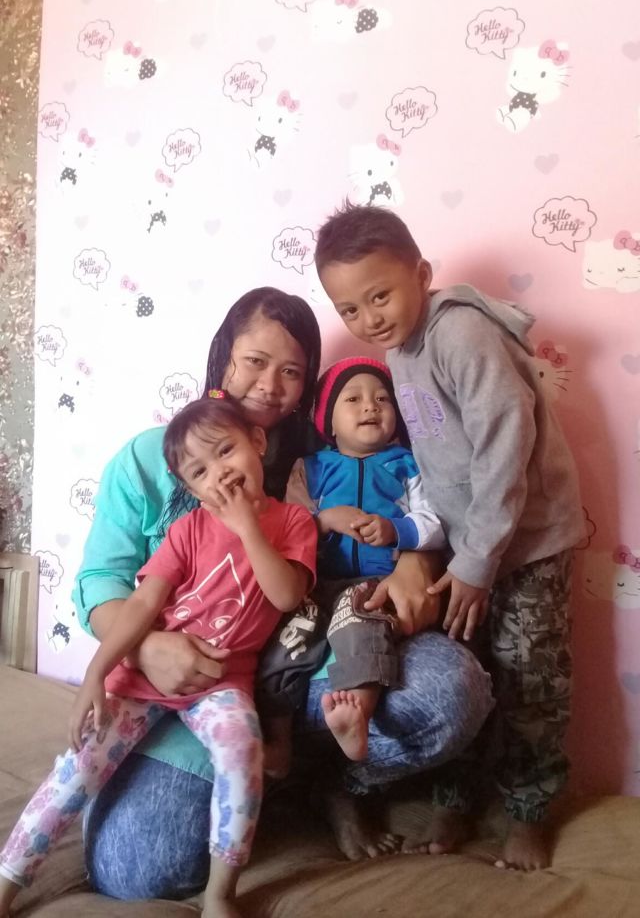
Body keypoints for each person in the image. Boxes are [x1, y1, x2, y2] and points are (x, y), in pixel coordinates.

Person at [72, 286, 494, 895]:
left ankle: (325, 779)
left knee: (449, 693)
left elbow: (412, 507)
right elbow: (100, 584)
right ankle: (269, 776)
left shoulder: (318, 454)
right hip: (192, 693)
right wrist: (146, 648)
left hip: (308, 660)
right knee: (135, 870)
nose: (270, 385)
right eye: (254, 361)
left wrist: (415, 559)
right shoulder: (148, 459)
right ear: (223, 357)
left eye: (292, 372)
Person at [314, 203, 585, 871]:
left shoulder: (459, 331)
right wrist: (443, 552)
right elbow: (437, 464)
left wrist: (477, 559)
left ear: (421, 274)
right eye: (350, 309)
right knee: (475, 669)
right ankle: (455, 797)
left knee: (529, 680)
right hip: (468, 551)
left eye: (380, 295)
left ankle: (527, 812)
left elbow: (505, 443)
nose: (369, 317)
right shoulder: (399, 353)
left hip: (527, 546)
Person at [0, 394, 318, 918]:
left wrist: (248, 527)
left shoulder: (295, 523)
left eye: (226, 451)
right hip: (144, 681)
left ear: (258, 442)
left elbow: (286, 595)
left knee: (243, 752)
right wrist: (97, 672)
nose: (220, 473)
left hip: (220, 685)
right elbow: (143, 603)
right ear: (190, 490)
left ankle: (219, 895)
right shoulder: (188, 529)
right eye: (199, 471)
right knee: (76, 770)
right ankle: (8, 884)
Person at [284, 355, 446, 763]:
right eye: (353, 399)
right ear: (329, 422)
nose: (370, 406)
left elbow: (435, 520)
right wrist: (324, 521)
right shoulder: (311, 468)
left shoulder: (408, 464)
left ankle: (358, 707)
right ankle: (276, 733)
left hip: (374, 586)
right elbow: (288, 525)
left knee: (362, 620)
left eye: (382, 399)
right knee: (285, 642)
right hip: (316, 584)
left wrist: (397, 530)